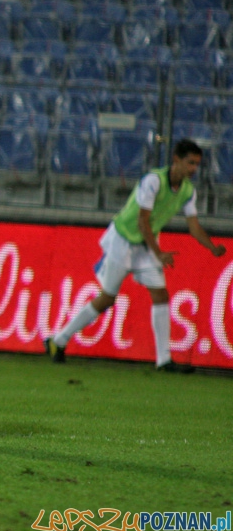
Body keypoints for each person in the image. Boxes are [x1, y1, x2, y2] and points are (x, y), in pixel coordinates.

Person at [45, 139, 227, 372]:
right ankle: (59, 339)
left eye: (197, 165)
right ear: (176, 160)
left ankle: (163, 360)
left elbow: (193, 225)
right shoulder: (153, 181)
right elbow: (142, 221)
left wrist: (211, 247)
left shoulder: (188, 191)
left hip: (146, 245)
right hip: (124, 239)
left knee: (161, 296)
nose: (193, 169)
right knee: (107, 298)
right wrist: (159, 253)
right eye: (190, 163)